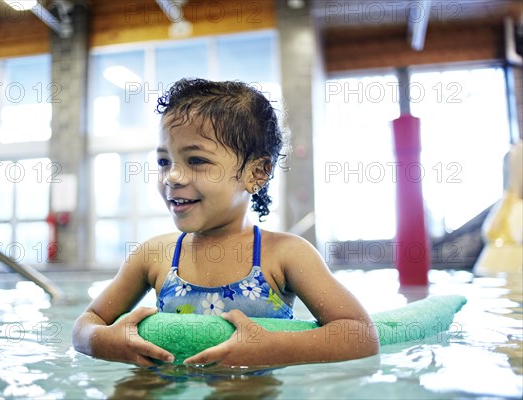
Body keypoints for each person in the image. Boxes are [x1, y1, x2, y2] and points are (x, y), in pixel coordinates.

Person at [72, 78, 379, 368]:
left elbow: (360, 335)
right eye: (164, 161)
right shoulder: (153, 256)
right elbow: (88, 322)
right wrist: (102, 342)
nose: (172, 177)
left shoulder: (286, 255)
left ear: (256, 173)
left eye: (196, 161)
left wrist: (274, 348)